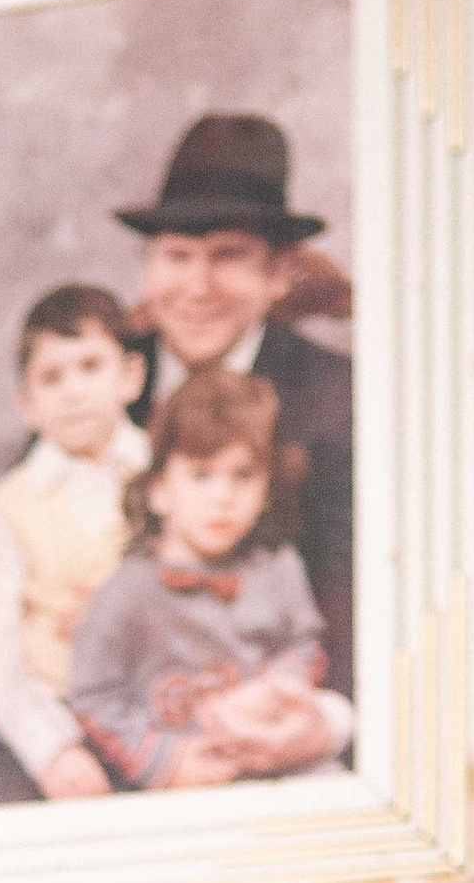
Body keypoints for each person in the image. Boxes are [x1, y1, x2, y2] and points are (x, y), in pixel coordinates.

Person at [115, 113, 355, 697]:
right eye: (176, 256)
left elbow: (353, 611)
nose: (197, 288)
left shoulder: (336, 403)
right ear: (148, 266)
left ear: (281, 274)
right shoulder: (101, 385)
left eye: (227, 256)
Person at [70, 368, 351, 791]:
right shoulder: (127, 591)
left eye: (243, 475)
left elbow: (302, 643)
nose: (223, 496)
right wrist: (165, 762)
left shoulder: (276, 565)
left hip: (271, 753)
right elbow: (95, 698)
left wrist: (277, 689)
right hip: (181, 770)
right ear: (159, 491)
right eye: (202, 475)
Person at [0, 283, 151, 806]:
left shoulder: (166, 476)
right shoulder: (9, 509)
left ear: (131, 377)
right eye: (52, 377)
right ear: (27, 405)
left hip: (158, 704)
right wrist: (51, 749)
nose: (73, 391)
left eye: (91, 367)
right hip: (55, 708)